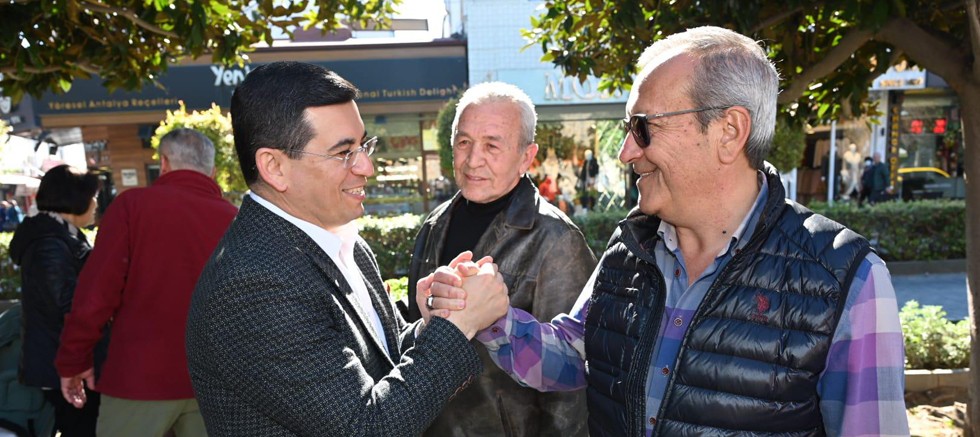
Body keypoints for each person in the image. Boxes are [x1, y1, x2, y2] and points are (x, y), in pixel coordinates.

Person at [426, 26, 909, 436]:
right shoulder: (630, 247)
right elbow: (576, 356)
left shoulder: (847, 281)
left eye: (643, 127)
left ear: (728, 131)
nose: (626, 152)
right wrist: (497, 318)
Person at [184, 61, 510, 437]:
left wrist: (432, 323)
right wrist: (458, 325)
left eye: (363, 145)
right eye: (343, 153)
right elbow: (367, 426)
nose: (367, 167)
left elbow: (381, 361)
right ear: (274, 167)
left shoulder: (341, 240)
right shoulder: (253, 283)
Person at [406, 82, 593, 437]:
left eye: (492, 145)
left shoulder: (557, 239)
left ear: (527, 156)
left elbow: (570, 381)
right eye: (464, 142)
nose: (473, 159)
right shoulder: (434, 223)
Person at [55, 128, 238, 437]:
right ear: (213, 171)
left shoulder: (132, 206)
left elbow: (96, 295)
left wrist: (73, 359)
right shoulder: (234, 219)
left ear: (164, 163)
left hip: (139, 378)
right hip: (216, 383)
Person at [9, 165, 105, 437]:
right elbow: (67, 304)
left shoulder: (57, 234)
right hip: (63, 363)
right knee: (82, 428)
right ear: (75, 199)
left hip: (64, 358)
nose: (96, 204)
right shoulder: (49, 242)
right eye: (92, 196)